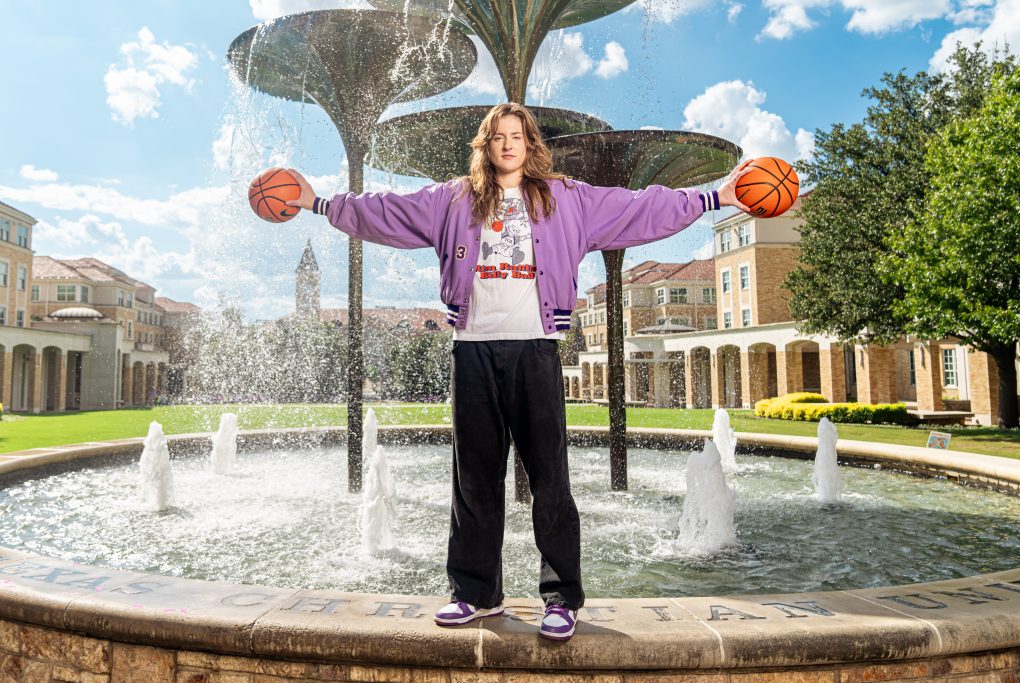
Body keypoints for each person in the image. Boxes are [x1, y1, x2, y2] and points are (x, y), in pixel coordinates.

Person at [284, 102, 752, 642]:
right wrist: (316, 202)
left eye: (517, 136)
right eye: (498, 137)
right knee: (474, 480)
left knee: (551, 478)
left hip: (535, 349)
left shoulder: (567, 198)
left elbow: (638, 208)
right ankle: (475, 594)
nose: (508, 145)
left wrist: (717, 197)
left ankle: (561, 599)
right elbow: (386, 211)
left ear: (530, 145)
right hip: (472, 349)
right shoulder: (453, 199)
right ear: (485, 145)